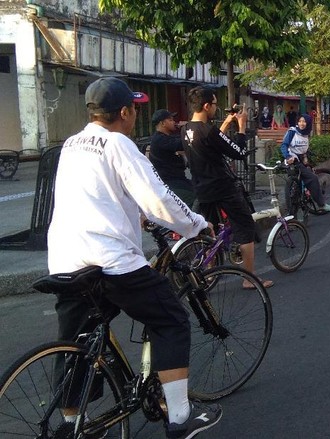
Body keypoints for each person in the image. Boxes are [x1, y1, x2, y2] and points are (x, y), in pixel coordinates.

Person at [47, 77, 222, 439]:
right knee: (170, 318)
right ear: (124, 112)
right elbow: (159, 199)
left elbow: (96, 193)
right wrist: (197, 225)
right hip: (109, 260)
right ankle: (180, 418)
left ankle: (71, 425)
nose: (135, 114)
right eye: (135, 108)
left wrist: (132, 211)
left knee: (79, 342)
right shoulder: (118, 144)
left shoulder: (71, 144)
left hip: (66, 259)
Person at [183, 86, 274, 289]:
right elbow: (239, 151)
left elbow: (213, 141)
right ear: (206, 106)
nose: (216, 107)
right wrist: (241, 126)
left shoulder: (187, 129)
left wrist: (226, 122)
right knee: (245, 229)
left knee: (210, 230)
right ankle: (249, 279)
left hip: (202, 189)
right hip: (223, 188)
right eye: (215, 104)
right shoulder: (209, 131)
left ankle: (207, 274)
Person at [280, 114, 330, 213]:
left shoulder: (306, 133)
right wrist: (288, 156)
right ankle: (321, 204)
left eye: (304, 121)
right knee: (312, 178)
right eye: (300, 121)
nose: (301, 123)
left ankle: (305, 195)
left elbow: (303, 148)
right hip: (293, 160)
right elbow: (284, 145)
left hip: (302, 159)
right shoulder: (292, 131)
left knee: (307, 174)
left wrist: (305, 156)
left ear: (308, 123)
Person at [149, 109, 195, 207]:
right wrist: (189, 128)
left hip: (178, 179)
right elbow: (184, 143)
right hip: (169, 183)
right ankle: (194, 221)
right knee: (195, 198)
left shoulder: (167, 137)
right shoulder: (159, 139)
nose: (174, 122)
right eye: (170, 120)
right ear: (163, 123)